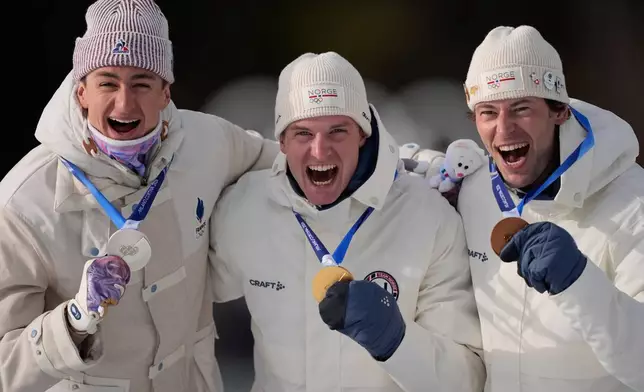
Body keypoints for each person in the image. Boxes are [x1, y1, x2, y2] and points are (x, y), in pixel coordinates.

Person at [0, 1, 279, 391]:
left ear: (166, 93)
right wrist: (75, 319)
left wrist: (386, 166)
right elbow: (4, 366)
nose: (124, 103)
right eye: (108, 83)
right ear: (81, 91)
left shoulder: (208, 143)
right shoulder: (24, 205)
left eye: (142, 83)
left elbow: (293, 168)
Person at [208, 51, 486, 391]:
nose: (321, 151)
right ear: (281, 141)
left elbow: (468, 379)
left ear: (363, 134)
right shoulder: (246, 208)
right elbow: (177, 293)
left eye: (338, 131)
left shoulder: (426, 215)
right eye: (303, 134)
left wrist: (396, 341)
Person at [406, 25, 644, 392]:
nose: (504, 129)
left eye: (521, 109)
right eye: (488, 112)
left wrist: (579, 283)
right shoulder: (472, 188)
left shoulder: (631, 205)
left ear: (559, 111)